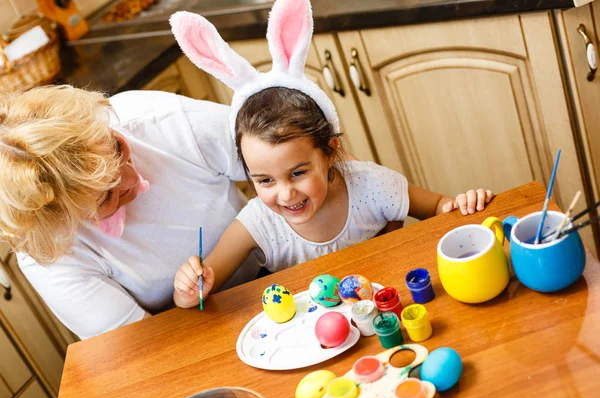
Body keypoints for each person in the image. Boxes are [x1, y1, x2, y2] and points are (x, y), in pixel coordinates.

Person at [168, 0, 495, 309]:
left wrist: (461, 205)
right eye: (264, 180)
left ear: (329, 151)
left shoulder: (372, 185)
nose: (285, 193)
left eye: (297, 173)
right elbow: (199, 291)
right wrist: (189, 288)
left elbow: (441, 208)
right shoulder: (260, 222)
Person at [0, 85, 260, 339]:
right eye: (106, 196)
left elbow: (283, 163)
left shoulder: (155, 120)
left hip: (274, 264)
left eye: (117, 147)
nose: (132, 178)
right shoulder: (51, 254)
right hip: (193, 338)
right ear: (64, 220)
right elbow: (144, 349)